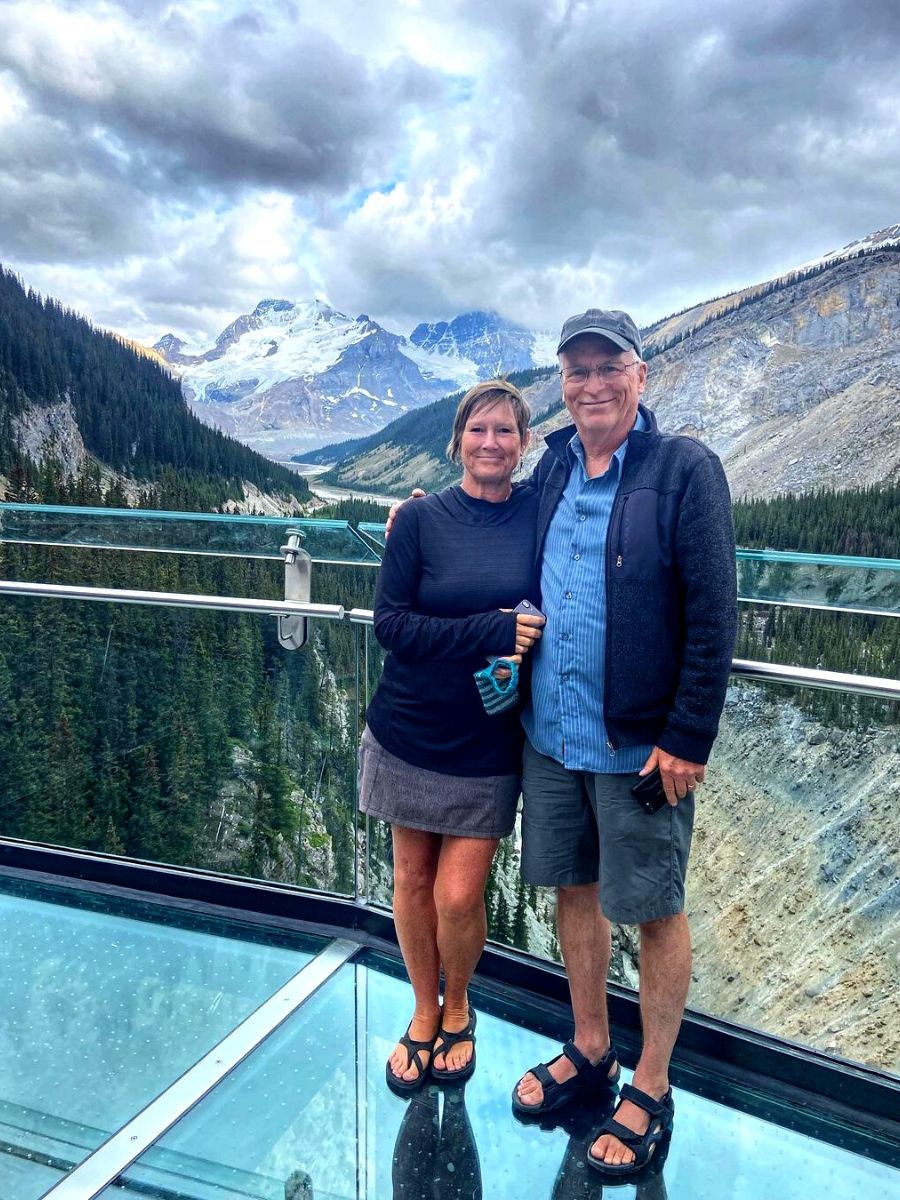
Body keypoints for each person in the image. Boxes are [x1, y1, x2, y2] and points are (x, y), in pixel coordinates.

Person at [510, 309, 737, 1179]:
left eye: (610, 367)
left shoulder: (683, 468)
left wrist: (687, 735)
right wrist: (425, 518)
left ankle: (651, 1081)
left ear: (642, 376)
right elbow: (511, 550)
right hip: (553, 732)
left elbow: (715, 612)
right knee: (575, 890)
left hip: (641, 745)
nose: (592, 384)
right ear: (561, 384)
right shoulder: (554, 464)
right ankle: (592, 1046)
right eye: (577, 371)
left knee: (651, 907)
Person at [361, 379, 546, 1095]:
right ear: (457, 441)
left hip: (485, 738)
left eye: (505, 431)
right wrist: (492, 628)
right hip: (409, 728)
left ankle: (460, 1004)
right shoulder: (417, 521)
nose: (492, 443)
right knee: (411, 880)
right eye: (478, 430)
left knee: (459, 895)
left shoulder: (541, 511)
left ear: (524, 443)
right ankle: (422, 1008)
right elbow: (391, 626)